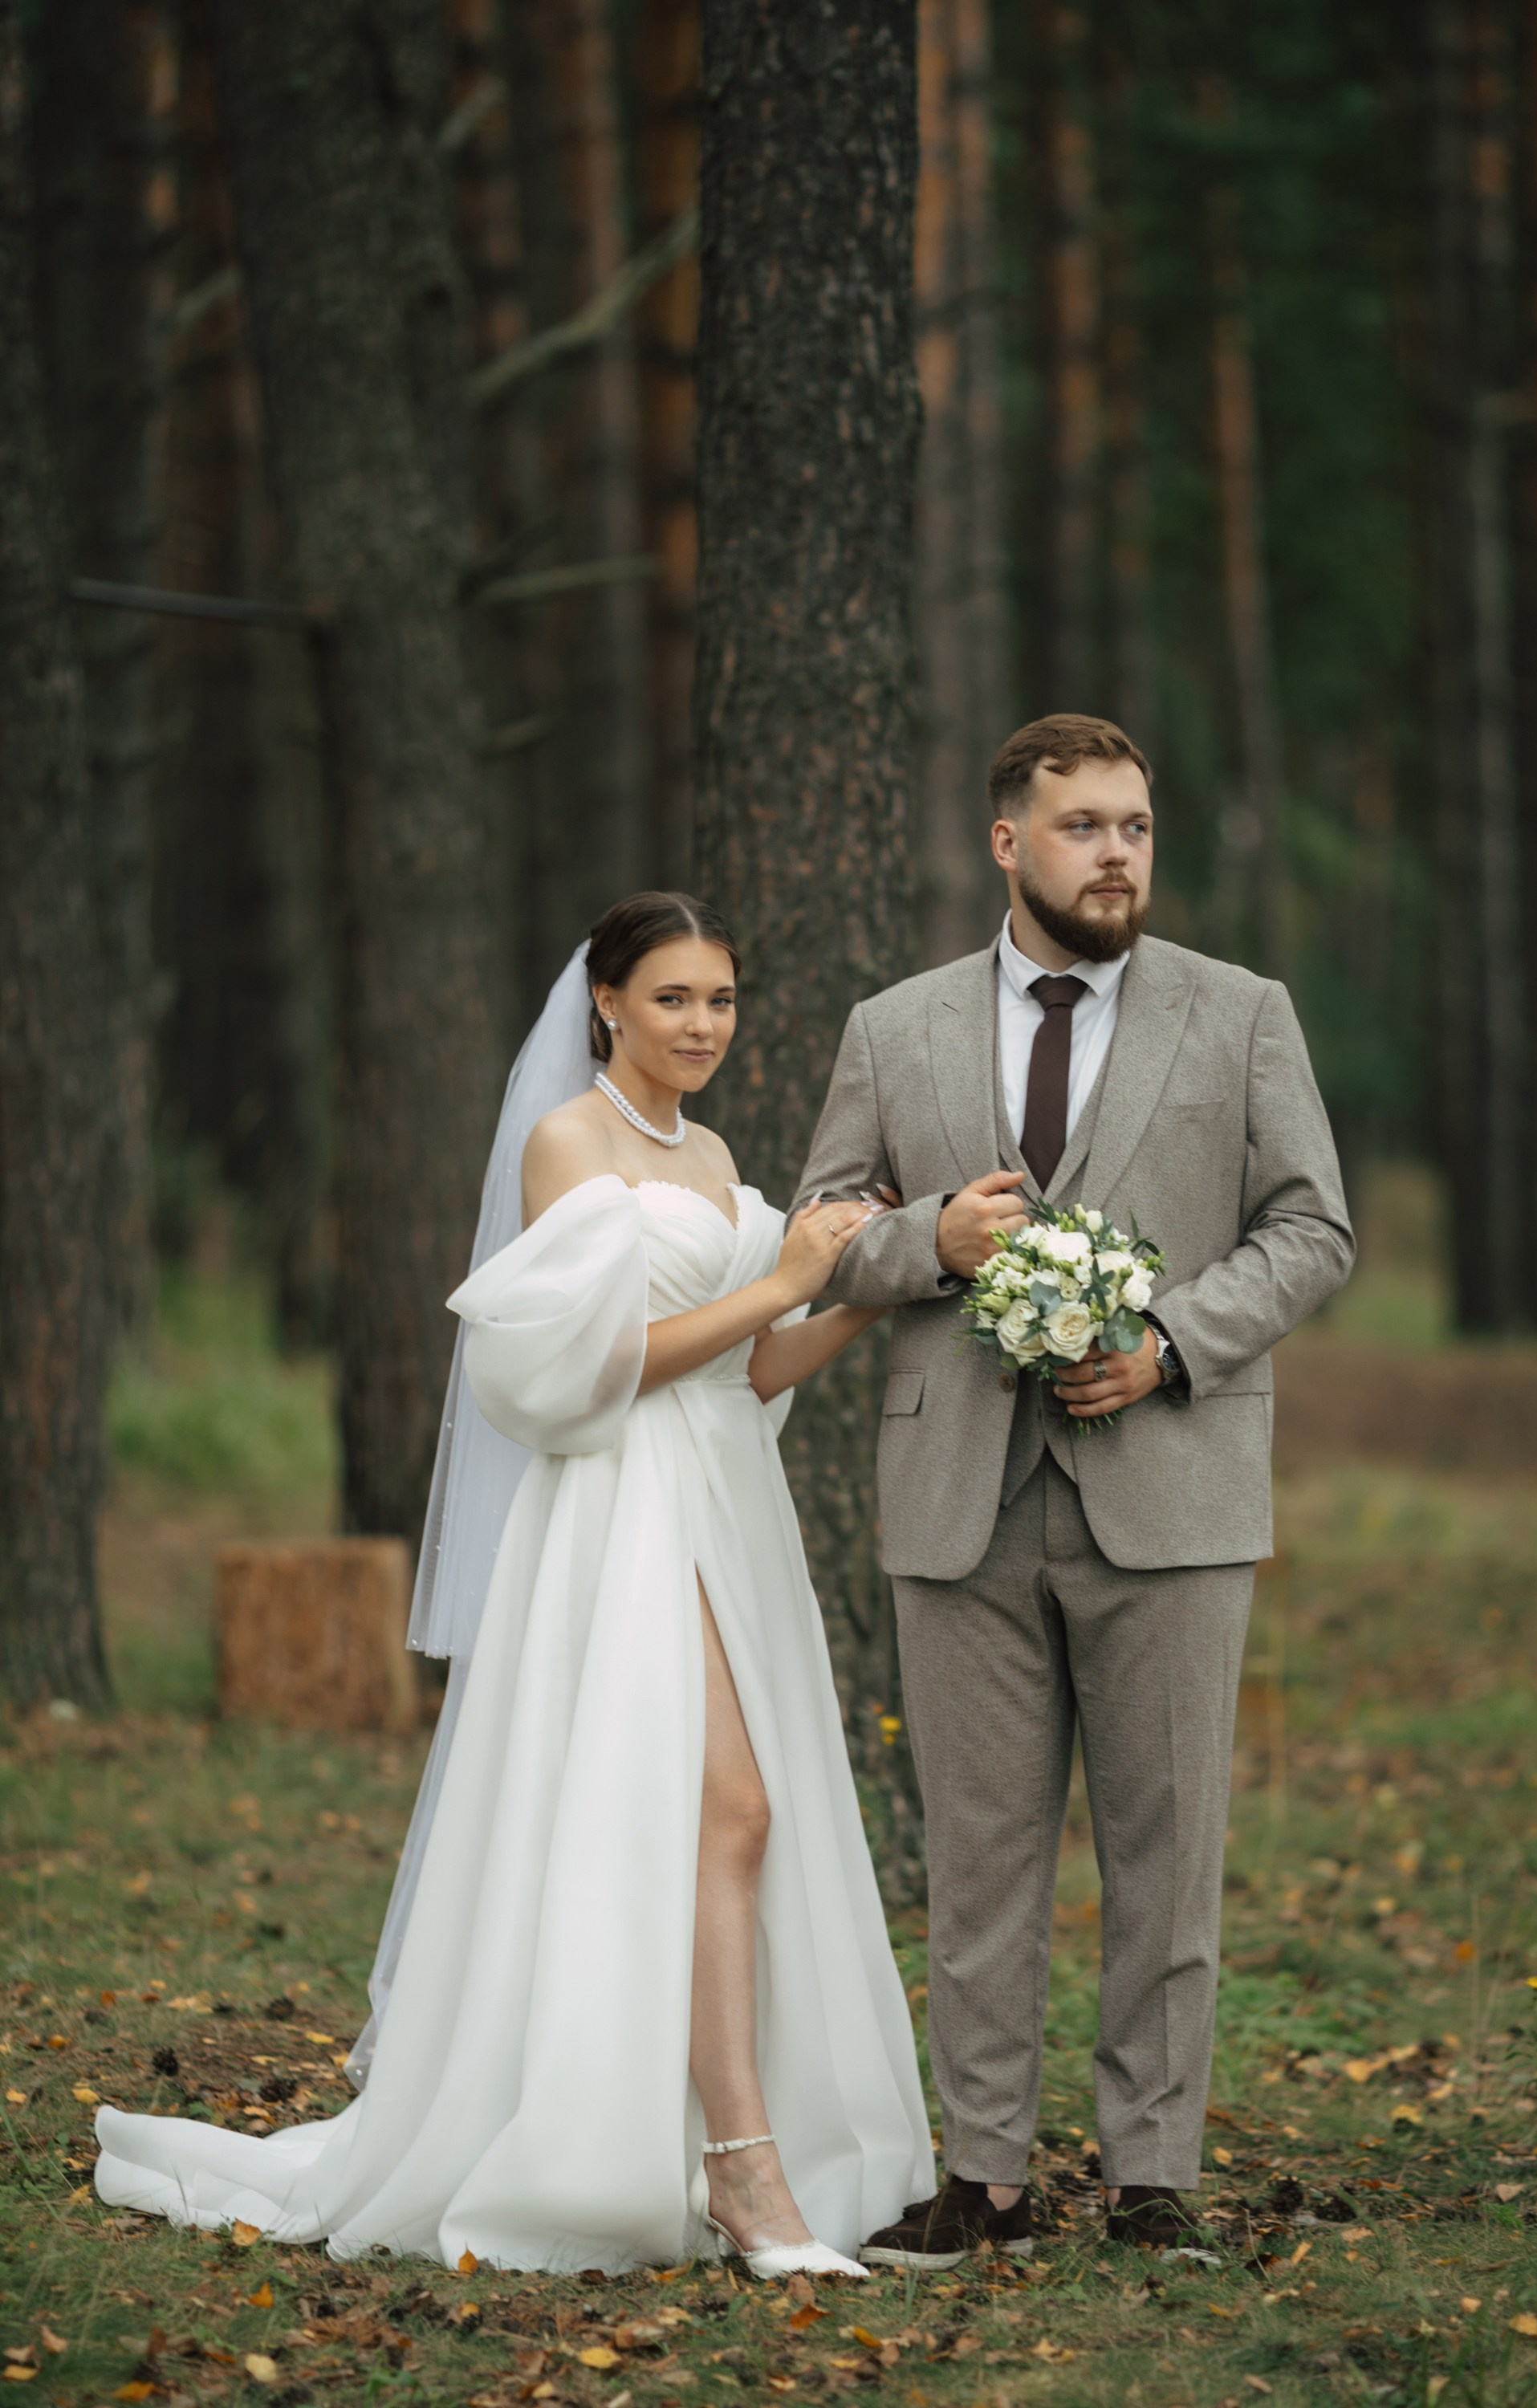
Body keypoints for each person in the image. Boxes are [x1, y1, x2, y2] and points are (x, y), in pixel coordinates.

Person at [95, 893, 933, 2279]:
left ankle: (723, 2151)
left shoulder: (715, 1150)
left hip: (727, 1505)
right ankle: (744, 2174)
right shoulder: (569, 1145)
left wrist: (853, 1295)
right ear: (606, 1003)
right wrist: (781, 1269)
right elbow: (586, 1369)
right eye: (673, 998)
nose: (703, 1026)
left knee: (725, 1820)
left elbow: (752, 1369)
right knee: (727, 1807)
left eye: (721, 1000)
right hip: (622, 1512)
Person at [796, 714, 1353, 2261]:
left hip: (1170, 1493)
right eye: (1086, 826)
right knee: (977, 1856)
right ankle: (984, 2178)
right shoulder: (892, 1027)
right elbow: (823, 1228)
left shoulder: (1240, 1015)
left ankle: (1150, 2179)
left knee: (1168, 1856)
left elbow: (1314, 1228)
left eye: (1137, 826)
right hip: (957, 1491)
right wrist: (933, 1245)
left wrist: (1171, 1344)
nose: (1119, 853)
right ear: (1008, 844)